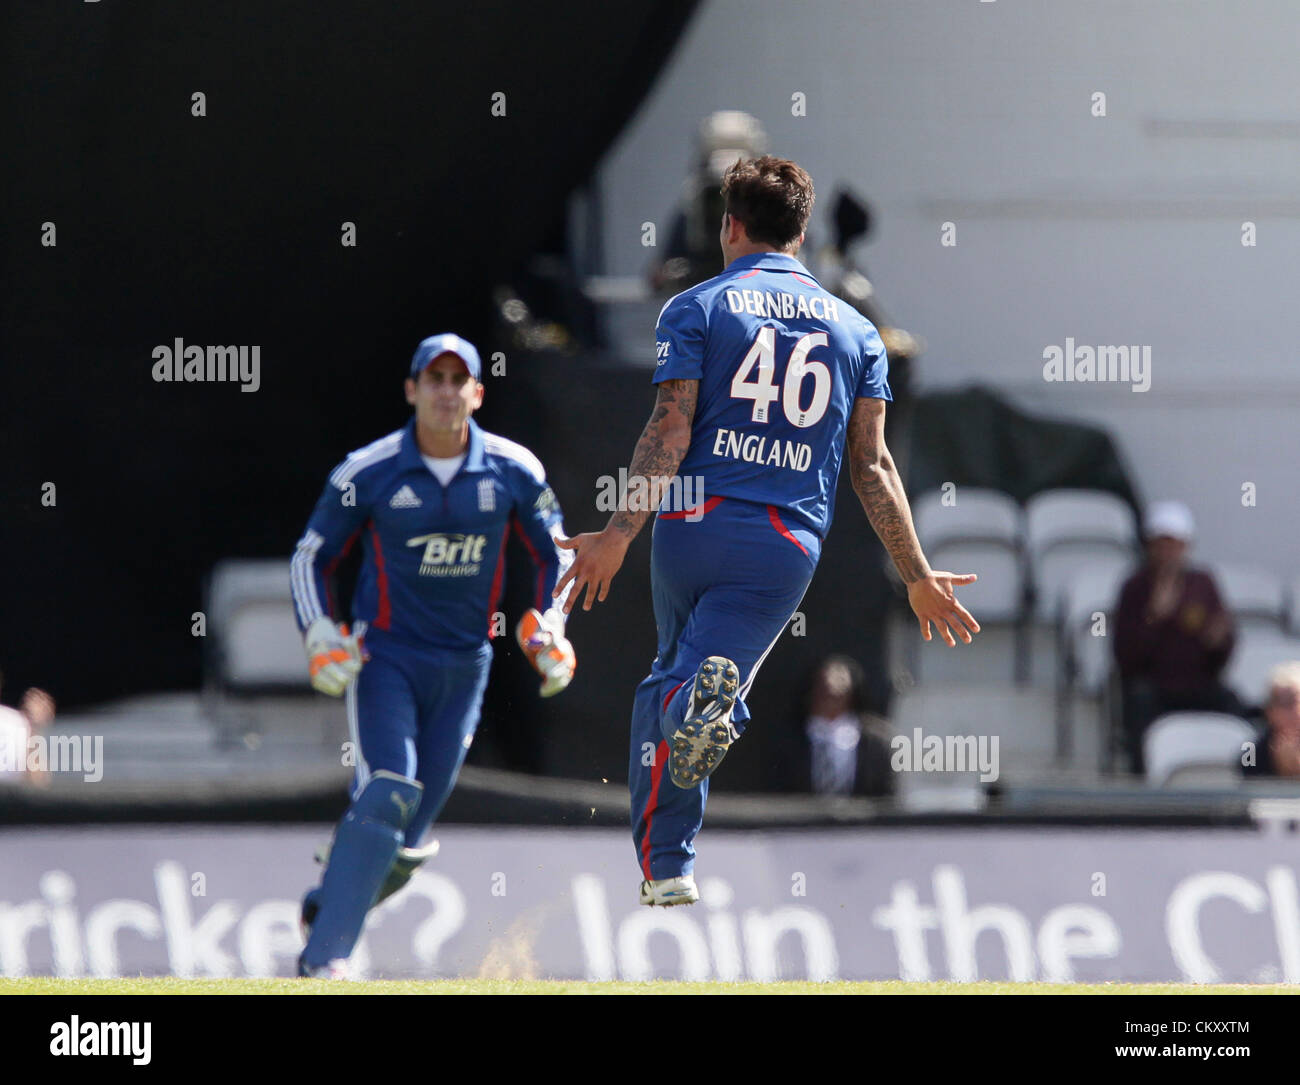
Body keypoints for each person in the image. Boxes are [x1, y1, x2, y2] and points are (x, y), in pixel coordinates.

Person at [555, 156, 978, 907]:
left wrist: (618, 531)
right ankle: (681, 814)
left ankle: (666, 861)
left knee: (665, 683)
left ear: (730, 226)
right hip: (783, 544)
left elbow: (669, 427)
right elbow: (873, 466)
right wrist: (915, 574)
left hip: (690, 524)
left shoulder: (696, 307)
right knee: (687, 687)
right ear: (804, 232)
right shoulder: (857, 332)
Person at [290, 333, 577, 978]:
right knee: (389, 786)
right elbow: (313, 554)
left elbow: (556, 552)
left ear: (478, 392)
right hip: (385, 658)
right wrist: (320, 633)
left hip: (465, 666)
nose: (447, 392)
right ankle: (324, 961)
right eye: (434, 378)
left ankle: (326, 900)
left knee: (409, 840)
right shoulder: (369, 470)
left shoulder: (513, 469)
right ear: (412, 389)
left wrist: (549, 624)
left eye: (459, 380)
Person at [1113, 500, 1241, 775]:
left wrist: (1219, 642)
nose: (1168, 552)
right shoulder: (1134, 588)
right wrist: (1153, 618)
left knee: (1233, 703)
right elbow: (1125, 657)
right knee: (1139, 702)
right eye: (1162, 544)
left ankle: (1237, 775)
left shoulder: (1203, 583)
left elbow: (1220, 649)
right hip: (1154, 685)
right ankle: (1143, 780)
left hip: (1197, 683)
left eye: (1174, 544)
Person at [1242, 662, 1300, 779]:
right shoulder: (1252, 750)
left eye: (1296, 701)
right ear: (1269, 711)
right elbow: (1247, 783)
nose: (1293, 710)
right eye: (1284, 703)